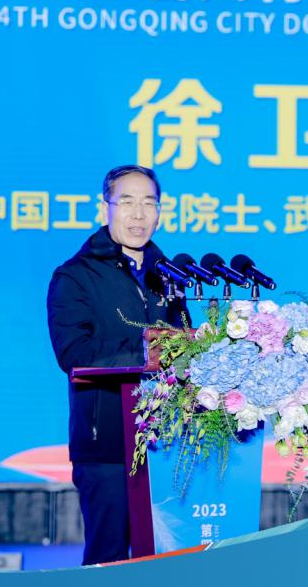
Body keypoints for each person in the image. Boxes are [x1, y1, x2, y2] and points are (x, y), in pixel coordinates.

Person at [46, 164, 190, 565]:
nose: (139, 214)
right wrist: (143, 349)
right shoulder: (75, 276)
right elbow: (73, 352)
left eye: (149, 203)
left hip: (165, 444)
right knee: (108, 560)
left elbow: (183, 347)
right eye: (127, 202)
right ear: (104, 208)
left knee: (168, 558)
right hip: (106, 444)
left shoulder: (170, 276)